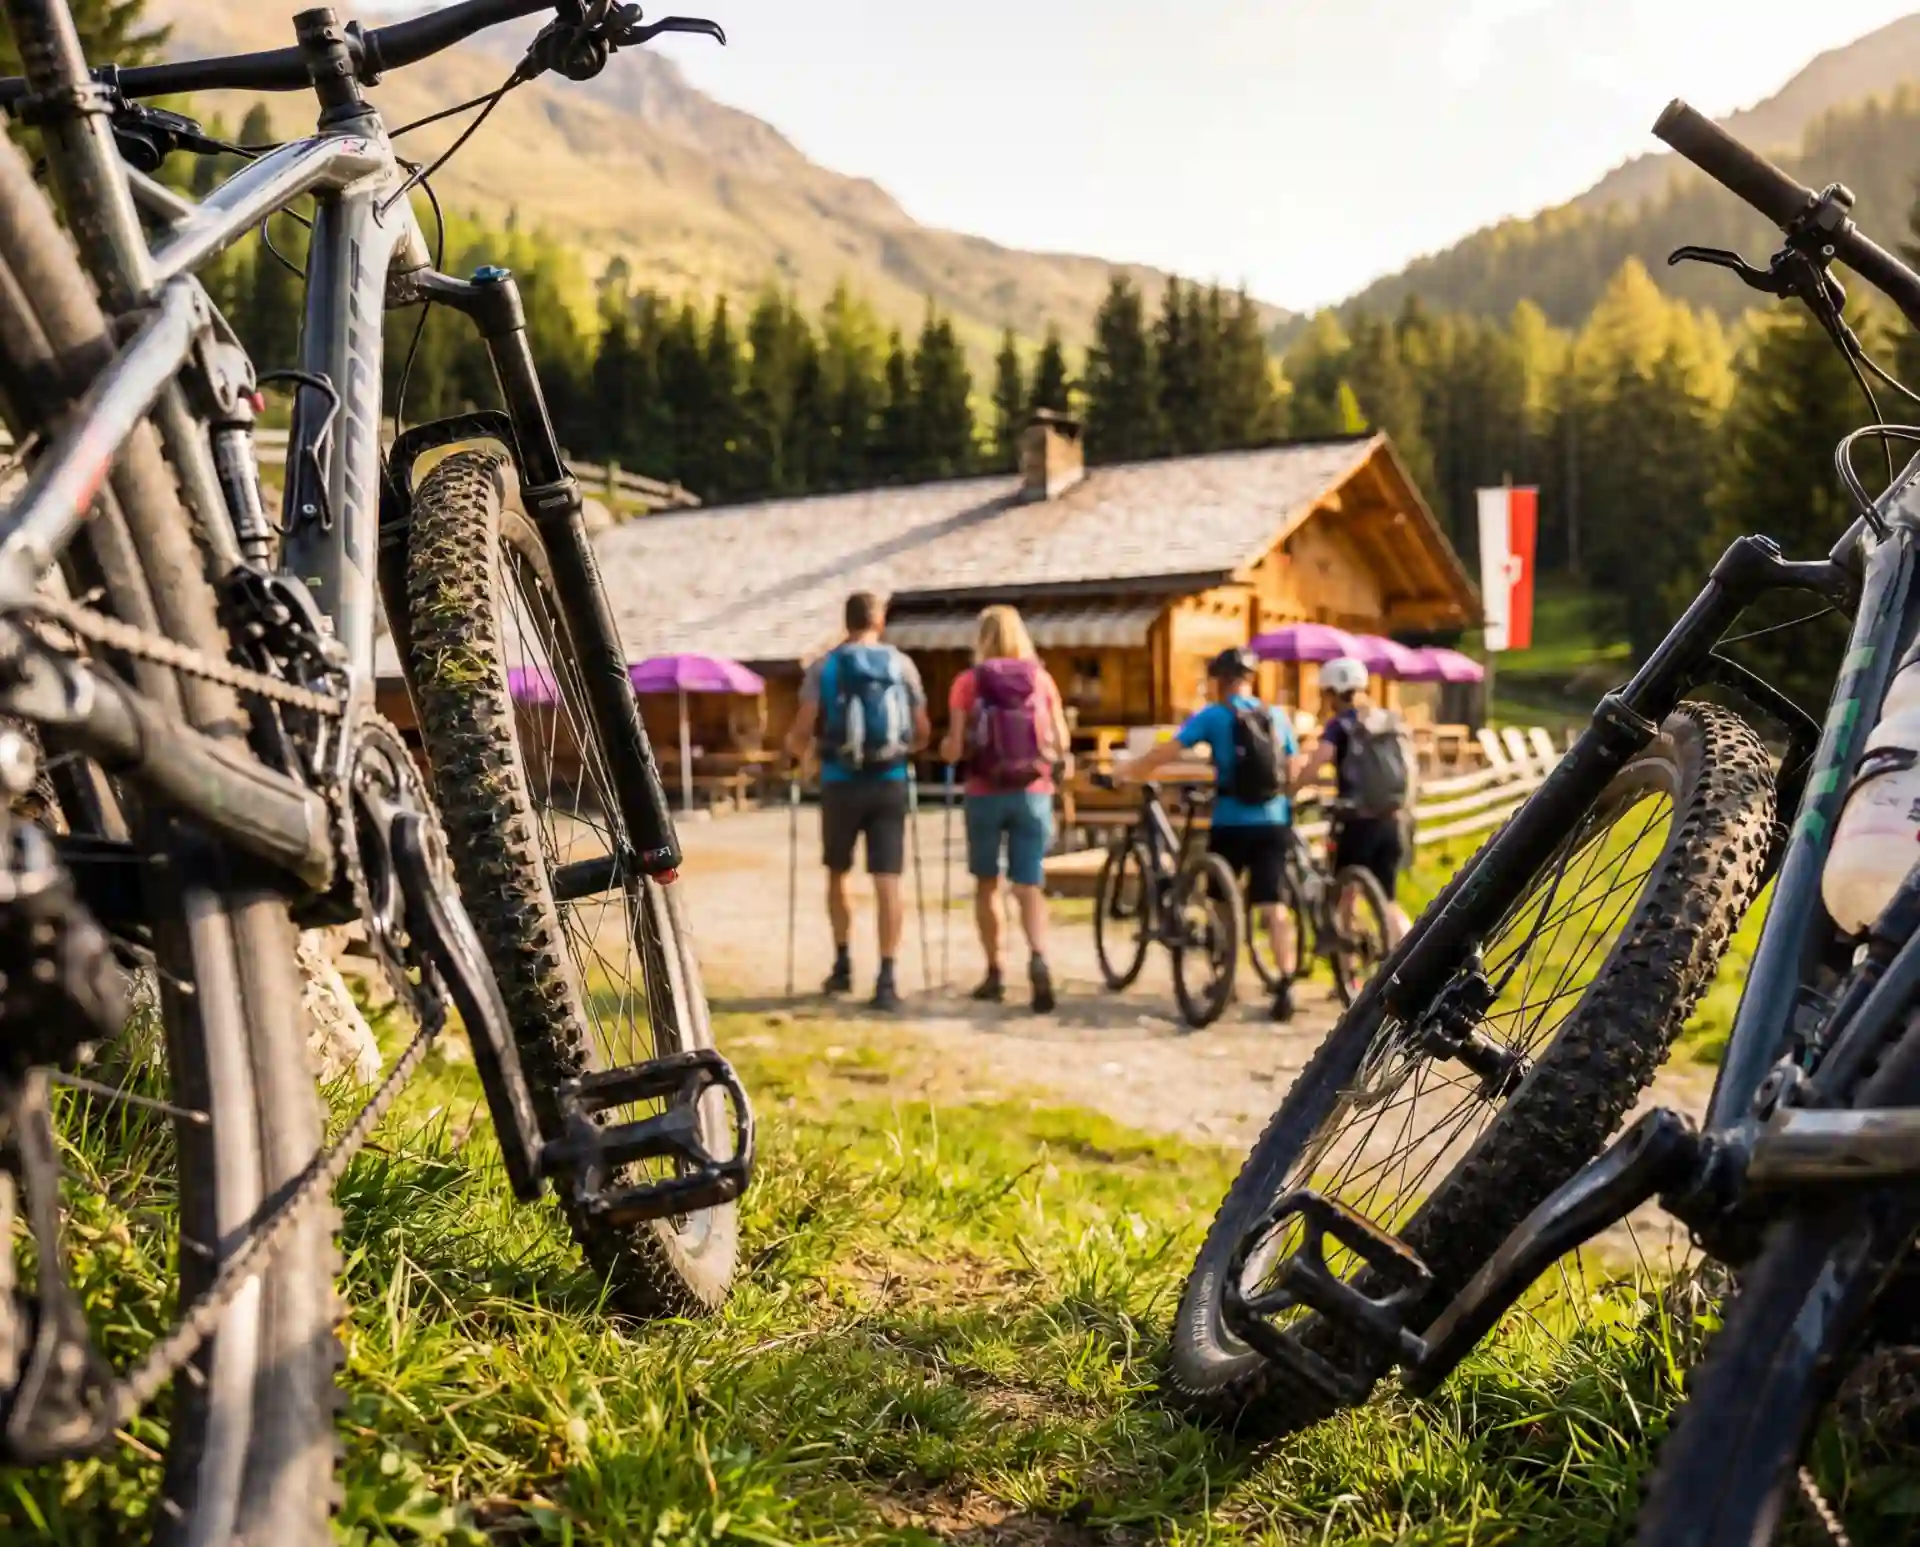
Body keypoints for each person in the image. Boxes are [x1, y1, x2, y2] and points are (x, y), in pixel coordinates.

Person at [1116, 646, 1301, 1021]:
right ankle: (1284, 985)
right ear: (1250, 679)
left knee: (1219, 899)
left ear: (1218, 681)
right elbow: (1293, 768)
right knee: (1274, 906)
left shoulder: (1215, 716)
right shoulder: (1277, 716)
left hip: (1231, 821)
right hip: (1274, 821)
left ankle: (1224, 976)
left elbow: (1168, 750)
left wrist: (1130, 770)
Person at [785, 591, 931, 1010]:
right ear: (879, 620)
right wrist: (901, 750)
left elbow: (801, 731)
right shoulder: (901, 665)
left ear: (844, 621)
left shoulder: (825, 666)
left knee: (839, 874)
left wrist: (805, 753)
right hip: (889, 781)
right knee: (888, 880)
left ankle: (844, 963)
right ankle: (887, 977)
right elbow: (922, 730)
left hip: (840, 781)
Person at [938, 605, 1072, 1013]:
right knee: (1028, 884)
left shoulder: (968, 682)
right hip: (1033, 790)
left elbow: (955, 748)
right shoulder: (1041, 679)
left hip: (983, 791)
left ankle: (995, 972)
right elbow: (1061, 741)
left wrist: (945, 752)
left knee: (987, 883)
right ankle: (1038, 957)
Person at [1292, 655, 1414, 941]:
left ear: (1332, 692)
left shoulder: (1341, 725)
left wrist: (1291, 791)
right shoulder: (1386, 720)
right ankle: (1413, 961)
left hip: (1357, 822)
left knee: (1346, 896)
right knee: (1388, 902)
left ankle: (1349, 979)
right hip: (1393, 820)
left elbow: (1316, 764)